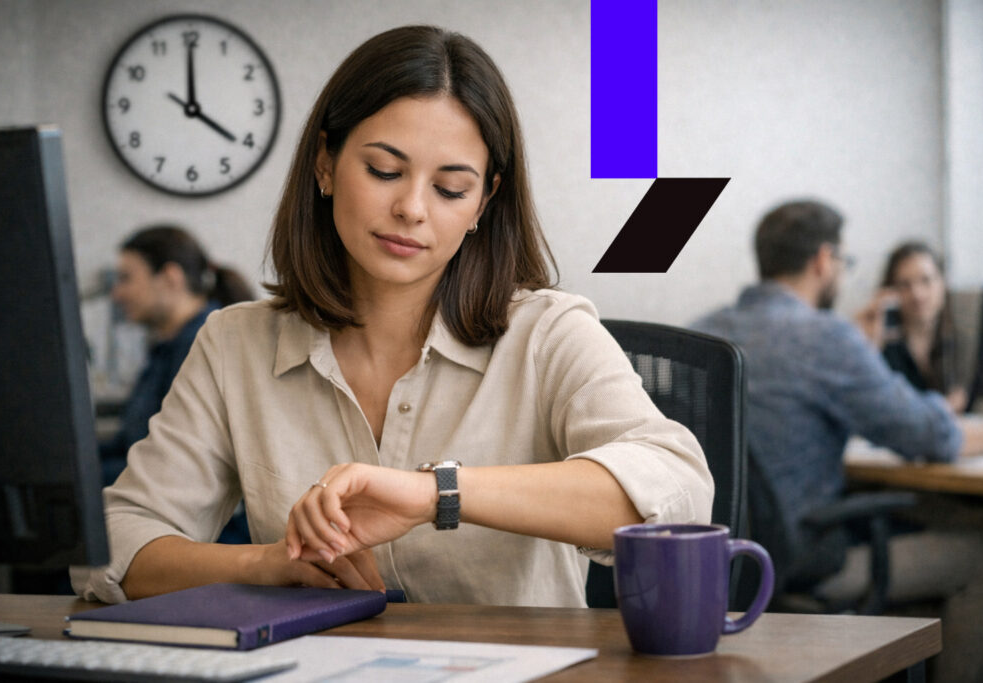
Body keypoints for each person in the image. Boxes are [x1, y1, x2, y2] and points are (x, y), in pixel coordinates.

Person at [72, 25, 712, 608]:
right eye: (383, 170)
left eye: (450, 189)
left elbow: (677, 490)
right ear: (325, 163)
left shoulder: (550, 331)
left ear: (484, 201)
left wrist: (438, 495)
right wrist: (267, 565)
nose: (411, 208)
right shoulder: (234, 342)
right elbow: (116, 544)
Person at [692, 199, 983, 683]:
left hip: (721, 564)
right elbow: (927, 435)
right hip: (804, 560)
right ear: (824, 260)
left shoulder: (703, 331)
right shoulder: (825, 337)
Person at [99, 225, 254, 485]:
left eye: (126, 278)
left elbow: (178, 470)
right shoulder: (167, 348)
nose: (117, 293)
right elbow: (130, 446)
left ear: (171, 277)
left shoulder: (203, 345)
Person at [856, 241, 966, 412]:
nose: (917, 294)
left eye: (926, 280)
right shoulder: (882, 340)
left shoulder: (955, 339)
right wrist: (869, 344)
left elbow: (961, 399)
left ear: (942, 283)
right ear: (891, 290)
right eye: (904, 285)